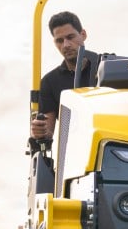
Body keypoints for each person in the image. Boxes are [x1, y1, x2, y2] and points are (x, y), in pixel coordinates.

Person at [30, 11, 99, 140]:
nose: (66, 45)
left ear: (83, 34)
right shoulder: (49, 82)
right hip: (73, 151)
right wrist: (40, 131)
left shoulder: (106, 68)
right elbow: (48, 132)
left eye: (70, 37)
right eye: (60, 41)